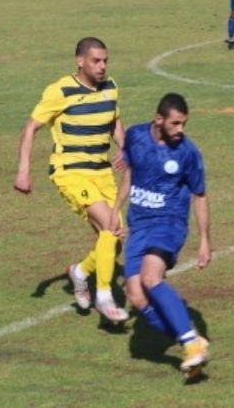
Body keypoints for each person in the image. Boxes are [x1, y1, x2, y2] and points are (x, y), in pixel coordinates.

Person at [15, 37, 128, 323]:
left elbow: (114, 121)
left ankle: (80, 272)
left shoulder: (110, 88)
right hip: (71, 172)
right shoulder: (60, 90)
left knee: (113, 242)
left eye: (105, 61)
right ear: (80, 61)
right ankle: (103, 295)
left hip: (103, 172)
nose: (102, 66)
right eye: (96, 61)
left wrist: (125, 148)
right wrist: (23, 170)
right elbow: (31, 127)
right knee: (111, 225)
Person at [111, 93, 211, 376]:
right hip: (139, 225)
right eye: (176, 123)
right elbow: (130, 173)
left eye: (184, 124)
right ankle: (190, 339)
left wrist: (205, 239)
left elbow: (200, 196)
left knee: (150, 277)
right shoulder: (136, 137)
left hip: (169, 223)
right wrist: (115, 208)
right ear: (159, 120)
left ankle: (191, 344)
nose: (181, 130)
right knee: (137, 297)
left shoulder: (188, 153)